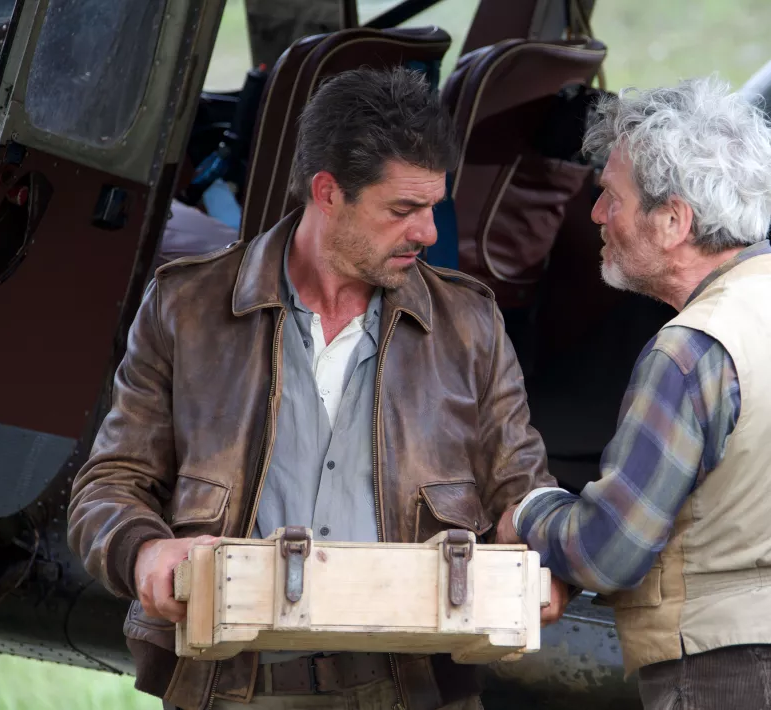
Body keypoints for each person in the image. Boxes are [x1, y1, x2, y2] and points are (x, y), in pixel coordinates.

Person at [67, 66, 566, 710]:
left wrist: (553, 558)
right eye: (402, 210)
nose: (428, 232)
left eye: (432, 207)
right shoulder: (184, 307)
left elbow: (523, 489)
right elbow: (109, 485)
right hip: (232, 690)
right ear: (327, 192)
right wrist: (145, 550)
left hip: (413, 689)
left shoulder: (470, 323)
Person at [496, 76, 771, 709]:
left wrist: (529, 514)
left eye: (611, 196)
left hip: (740, 681)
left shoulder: (692, 349)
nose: (597, 214)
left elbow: (610, 552)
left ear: (673, 220)